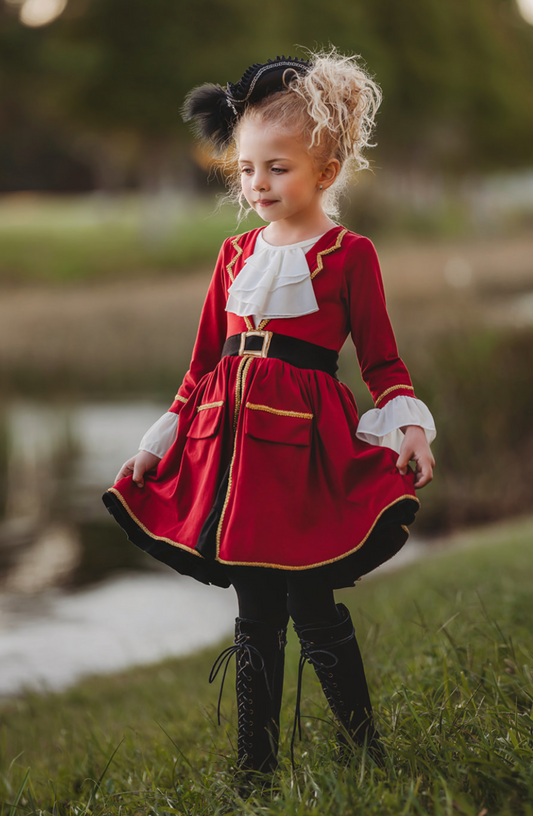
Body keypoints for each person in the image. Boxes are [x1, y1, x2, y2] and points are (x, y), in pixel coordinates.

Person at [103, 51, 436, 778]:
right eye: (247, 168)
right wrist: (159, 443)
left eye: (277, 168)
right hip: (229, 455)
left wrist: (409, 424)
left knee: (311, 602)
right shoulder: (232, 256)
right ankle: (253, 771)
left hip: (301, 454)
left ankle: (364, 753)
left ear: (326, 169)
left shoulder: (349, 255)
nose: (258, 183)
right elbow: (202, 364)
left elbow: (381, 361)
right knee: (254, 612)